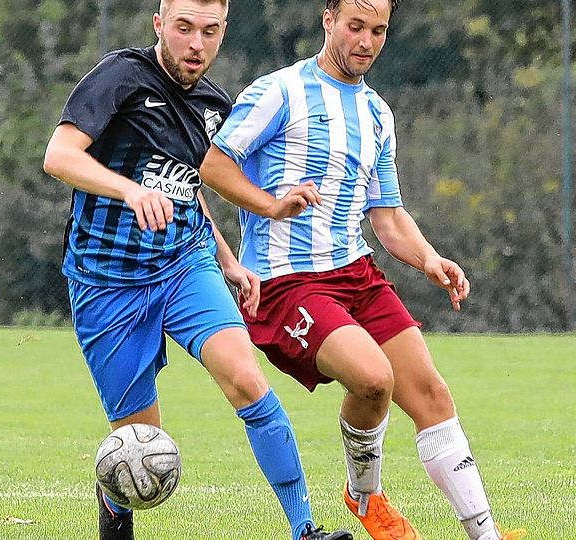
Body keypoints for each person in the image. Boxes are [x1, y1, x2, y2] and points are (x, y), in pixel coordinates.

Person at [198, 1, 527, 540]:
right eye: (355, 27)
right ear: (328, 19)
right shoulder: (277, 92)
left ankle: (486, 536)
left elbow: (389, 216)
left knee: (431, 395)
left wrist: (430, 259)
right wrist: (271, 204)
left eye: (378, 31)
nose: (366, 42)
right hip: (287, 283)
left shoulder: (377, 113)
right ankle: (367, 497)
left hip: (356, 275)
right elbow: (212, 163)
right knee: (373, 377)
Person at [42, 1, 353, 539]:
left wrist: (229, 261)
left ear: (223, 31)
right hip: (105, 284)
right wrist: (128, 189)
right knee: (139, 456)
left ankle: (305, 530)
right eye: (183, 29)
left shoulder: (213, 104)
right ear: (160, 24)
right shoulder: (120, 79)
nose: (195, 44)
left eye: (209, 32)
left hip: (183, 266)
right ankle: (114, 509)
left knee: (246, 379)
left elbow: (190, 188)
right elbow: (59, 155)